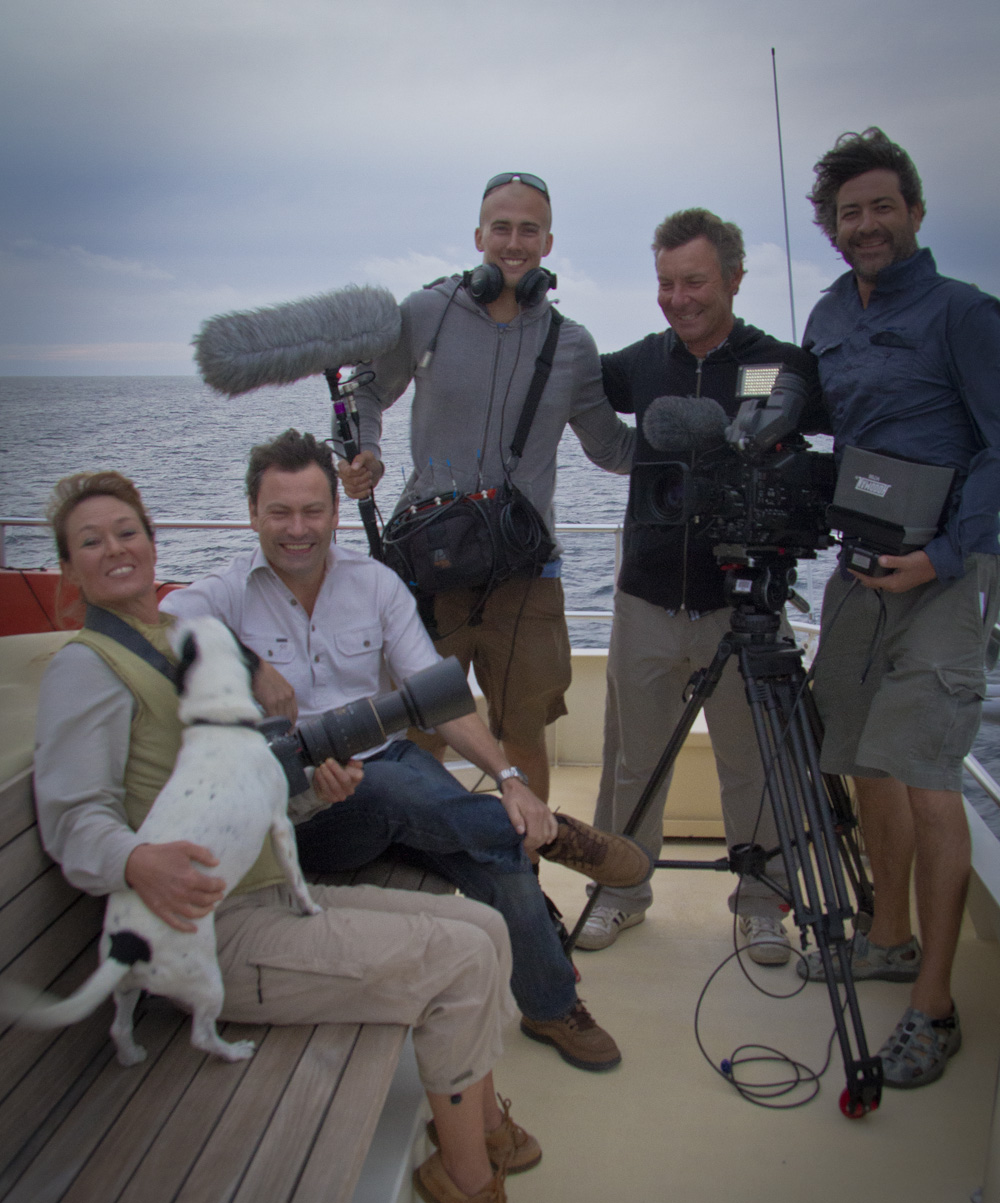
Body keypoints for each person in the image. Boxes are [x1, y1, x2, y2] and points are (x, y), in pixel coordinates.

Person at [34, 469, 541, 1203]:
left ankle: (480, 1122)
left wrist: (312, 794)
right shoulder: (86, 667)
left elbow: (238, 791)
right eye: (91, 542)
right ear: (69, 569)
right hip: (207, 935)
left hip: (268, 897)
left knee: (484, 928)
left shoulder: (182, 644)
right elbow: (72, 819)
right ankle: (464, 1179)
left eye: (127, 532)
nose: (115, 550)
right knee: (458, 960)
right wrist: (136, 862)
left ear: (152, 542)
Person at [161, 430, 650, 1073]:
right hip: (303, 809)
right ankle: (552, 835)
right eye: (280, 512)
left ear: (335, 511)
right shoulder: (226, 593)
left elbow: (438, 697)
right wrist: (247, 662)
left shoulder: (374, 585)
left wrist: (509, 778)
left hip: (393, 773)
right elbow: (161, 623)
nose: (298, 529)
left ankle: (550, 1006)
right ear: (253, 512)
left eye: (312, 511)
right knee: (398, 791)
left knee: (491, 847)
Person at [799, 128, 1000, 1088]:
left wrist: (943, 555)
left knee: (926, 771)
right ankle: (887, 936)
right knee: (860, 753)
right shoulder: (829, 315)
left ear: (914, 212)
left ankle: (934, 1004)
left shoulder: (966, 313)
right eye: (851, 213)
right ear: (832, 228)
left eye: (883, 206)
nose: (867, 224)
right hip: (864, 568)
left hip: (951, 574)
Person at [580, 209, 828, 959]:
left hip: (742, 600)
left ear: (734, 279)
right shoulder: (640, 362)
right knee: (633, 761)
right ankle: (619, 891)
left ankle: (761, 902)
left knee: (752, 762)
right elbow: (570, 382)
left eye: (693, 282)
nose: (677, 299)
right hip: (646, 596)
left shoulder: (782, 363)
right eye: (665, 283)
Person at [340, 171, 634, 804]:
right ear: (478, 236)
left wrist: (689, 437)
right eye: (502, 228)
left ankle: (523, 858)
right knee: (422, 735)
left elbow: (612, 449)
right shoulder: (425, 313)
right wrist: (366, 452)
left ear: (548, 244)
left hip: (525, 575)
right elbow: (365, 391)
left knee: (522, 735)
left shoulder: (572, 344)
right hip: (428, 569)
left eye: (529, 230)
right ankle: (425, 859)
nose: (514, 242)